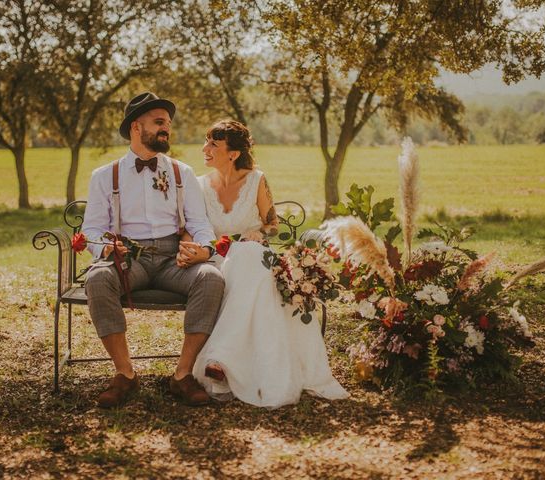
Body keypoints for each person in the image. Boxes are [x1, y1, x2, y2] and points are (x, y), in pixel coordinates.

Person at [178, 120, 349, 408]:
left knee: (248, 255)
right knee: (242, 263)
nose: (204, 149)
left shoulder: (257, 180)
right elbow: (193, 227)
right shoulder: (199, 184)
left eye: (213, 144)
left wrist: (259, 232)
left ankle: (221, 357)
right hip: (217, 259)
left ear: (232, 154)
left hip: (254, 256)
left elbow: (273, 224)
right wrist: (190, 249)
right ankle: (227, 357)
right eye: (206, 142)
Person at [82, 92, 225, 408]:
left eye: (168, 124)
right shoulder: (105, 176)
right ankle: (125, 373)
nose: (166, 129)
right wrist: (104, 247)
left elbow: (200, 224)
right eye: (159, 122)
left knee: (211, 278)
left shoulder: (181, 173)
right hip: (129, 260)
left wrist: (203, 249)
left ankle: (182, 375)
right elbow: (90, 229)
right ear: (136, 126)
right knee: (97, 279)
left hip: (174, 260)